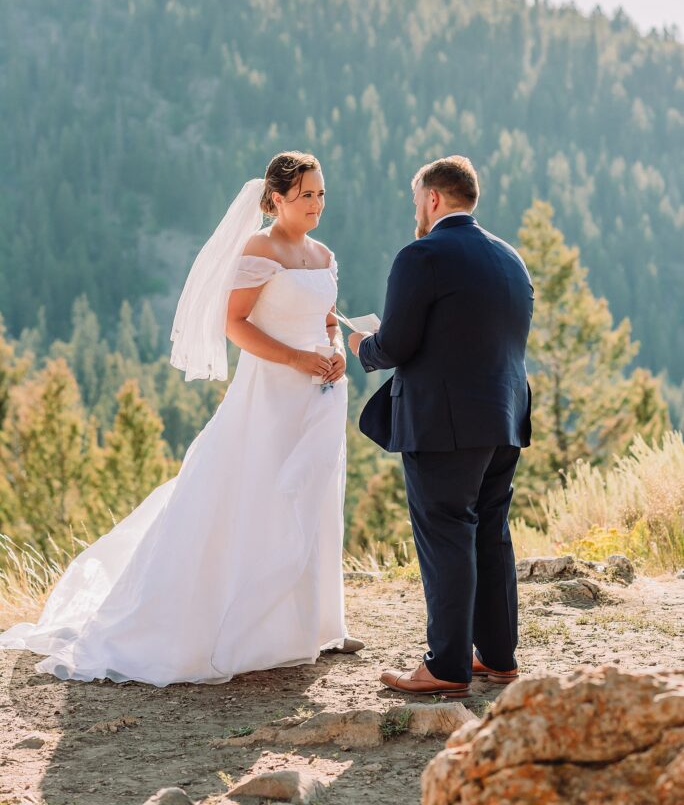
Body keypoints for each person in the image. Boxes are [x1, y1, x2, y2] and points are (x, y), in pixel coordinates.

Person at [0, 151, 362, 686]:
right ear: (277, 198)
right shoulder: (259, 249)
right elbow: (234, 323)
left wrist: (334, 352)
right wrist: (294, 359)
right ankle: (247, 626)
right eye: (306, 194)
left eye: (321, 193)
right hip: (269, 393)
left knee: (314, 494)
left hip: (320, 394)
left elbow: (327, 318)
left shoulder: (324, 254)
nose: (317, 203)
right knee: (259, 494)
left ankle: (318, 625)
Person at [348, 155, 533, 698]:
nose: (417, 213)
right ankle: (497, 657)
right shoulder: (511, 258)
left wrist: (362, 345)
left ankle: (447, 666)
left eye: (416, 203)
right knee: (491, 535)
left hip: (442, 424)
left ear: (432, 198)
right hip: (505, 416)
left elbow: (397, 343)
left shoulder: (422, 254)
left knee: (447, 535)